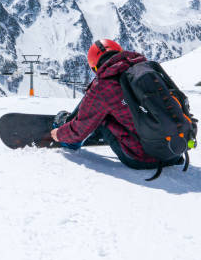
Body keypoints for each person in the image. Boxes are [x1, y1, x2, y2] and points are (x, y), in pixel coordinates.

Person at [50, 39, 183, 170]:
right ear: (120, 52)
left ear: (95, 67)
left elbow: (80, 128)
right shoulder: (147, 69)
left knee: (99, 113)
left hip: (142, 159)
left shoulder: (103, 85)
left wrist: (60, 134)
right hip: (175, 150)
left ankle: (71, 138)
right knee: (110, 107)